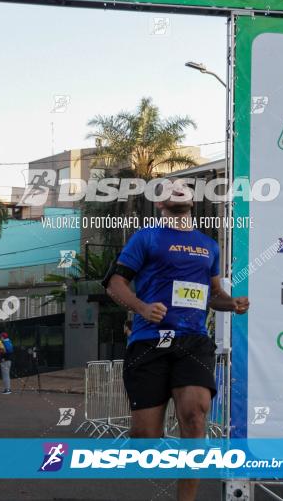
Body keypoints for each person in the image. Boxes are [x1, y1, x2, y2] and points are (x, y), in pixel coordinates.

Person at [105, 178, 250, 501]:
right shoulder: (146, 238)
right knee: (146, 438)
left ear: (193, 201)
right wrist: (142, 307)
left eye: (184, 185)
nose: (178, 187)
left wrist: (233, 303)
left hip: (193, 341)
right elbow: (114, 284)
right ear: (160, 203)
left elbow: (213, 295)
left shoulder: (208, 245)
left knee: (195, 416)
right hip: (149, 342)